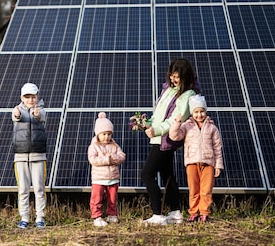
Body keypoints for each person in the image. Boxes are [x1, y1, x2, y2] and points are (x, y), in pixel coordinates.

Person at [141, 58, 198, 226]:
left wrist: (156, 130)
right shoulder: (169, 90)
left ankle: (157, 214)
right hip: (158, 137)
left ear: (185, 76)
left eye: (177, 76)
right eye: (171, 75)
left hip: (166, 139)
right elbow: (159, 114)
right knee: (168, 176)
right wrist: (147, 123)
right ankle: (175, 212)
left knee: (147, 174)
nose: (173, 79)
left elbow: (175, 120)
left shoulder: (188, 95)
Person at [169, 95, 224, 223]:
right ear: (192, 112)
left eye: (202, 111)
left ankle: (204, 213)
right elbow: (174, 136)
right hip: (192, 163)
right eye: (196, 112)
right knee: (193, 189)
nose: (199, 115)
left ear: (205, 111)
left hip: (208, 163)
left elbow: (217, 147)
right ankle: (193, 213)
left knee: (206, 190)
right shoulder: (187, 126)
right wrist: (177, 122)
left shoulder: (212, 128)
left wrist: (218, 165)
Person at [12, 82, 47, 229]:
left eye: (33, 97)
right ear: (22, 98)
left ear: (37, 97)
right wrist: (17, 114)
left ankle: (40, 217)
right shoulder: (16, 110)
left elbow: (41, 118)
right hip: (20, 156)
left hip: (38, 155)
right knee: (23, 189)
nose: (30, 100)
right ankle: (24, 217)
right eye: (27, 97)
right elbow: (16, 117)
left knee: (39, 188)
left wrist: (37, 115)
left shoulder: (42, 110)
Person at [88, 112, 127, 227]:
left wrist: (113, 158)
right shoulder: (94, 146)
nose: (107, 137)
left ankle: (112, 214)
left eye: (109, 134)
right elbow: (93, 160)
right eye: (104, 134)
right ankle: (97, 216)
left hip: (113, 178)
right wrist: (107, 159)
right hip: (99, 179)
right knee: (97, 198)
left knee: (112, 198)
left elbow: (122, 156)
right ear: (98, 134)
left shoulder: (114, 145)